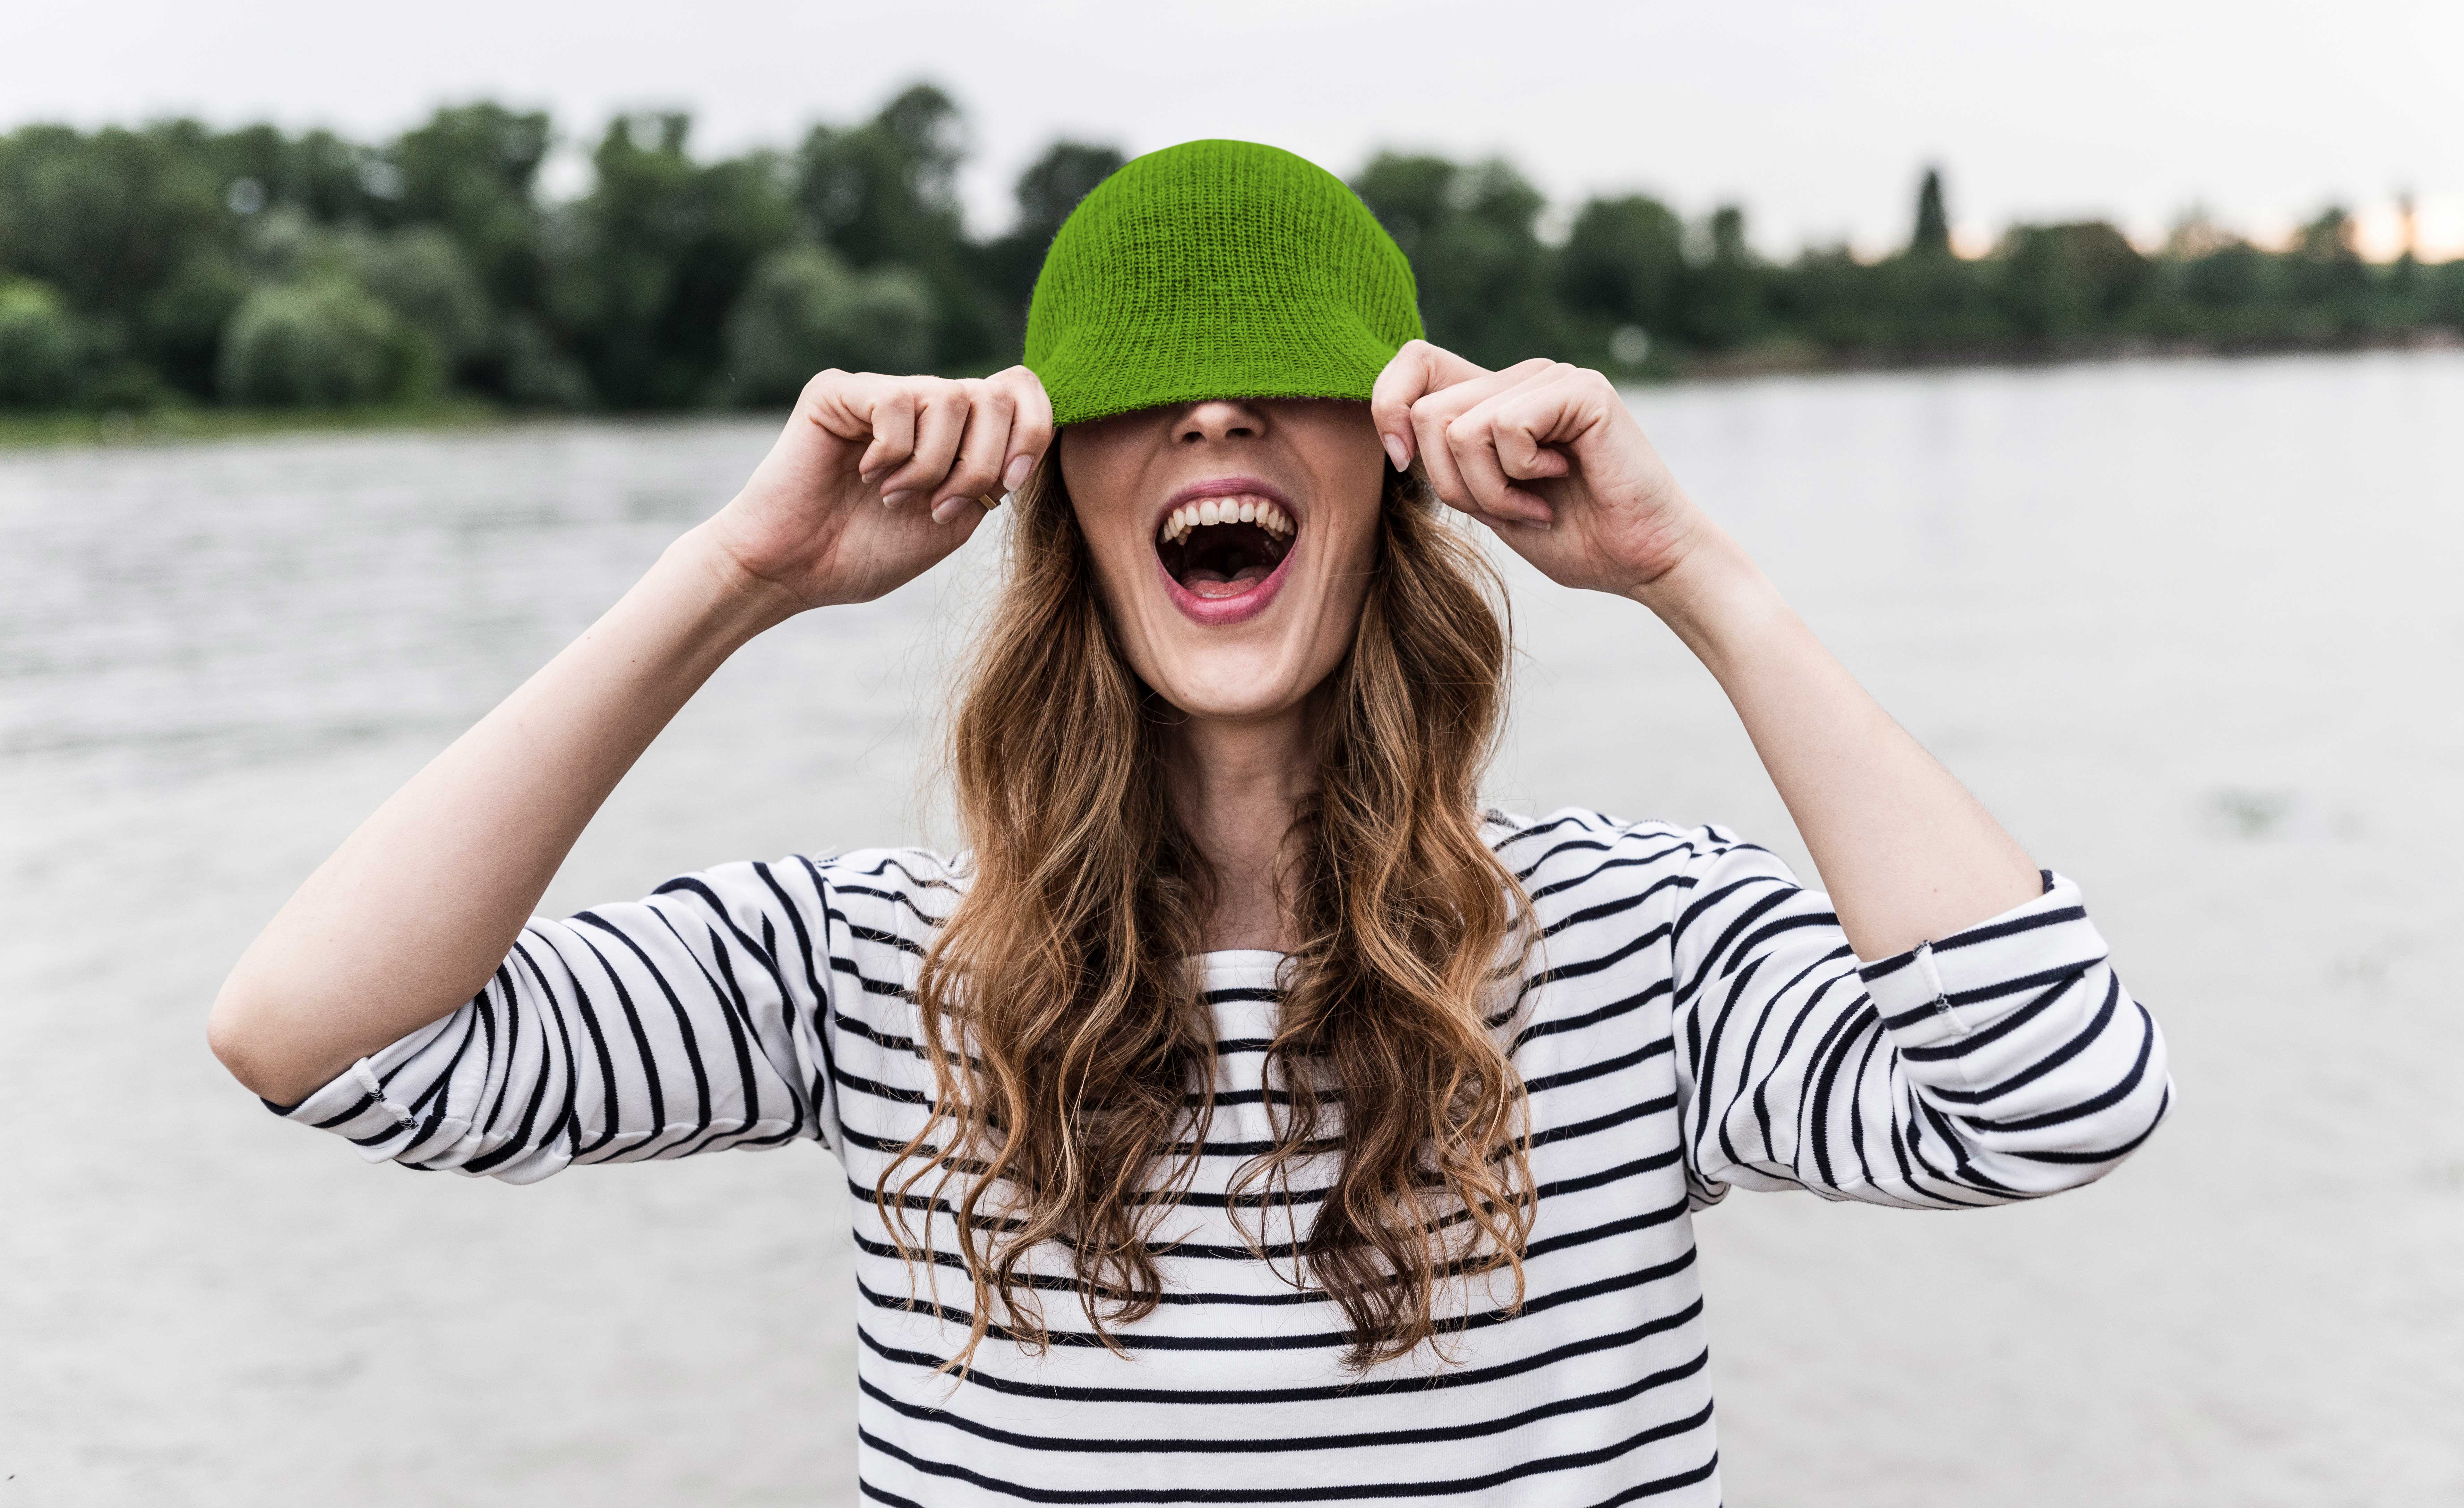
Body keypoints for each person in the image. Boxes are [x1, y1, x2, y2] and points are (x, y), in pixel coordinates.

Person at [209, 139, 2172, 1505]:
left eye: (1279, 387)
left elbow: (2058, 1097)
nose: (1217, 428)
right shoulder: (872, 965)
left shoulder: (1639, 950)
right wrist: (737, 574)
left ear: (1394, 472)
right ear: (1061, 488)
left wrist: (1694, 577)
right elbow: (321, 1038)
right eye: (1151, 396)